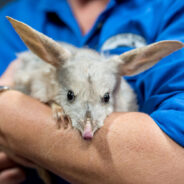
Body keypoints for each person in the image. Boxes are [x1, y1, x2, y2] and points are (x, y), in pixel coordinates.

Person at [0, 0, 184, 183]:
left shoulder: (171, 8)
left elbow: (170, 168)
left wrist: (8, 111)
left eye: (105, 98)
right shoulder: (17, 15)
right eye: (70, 96)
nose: (88, 130)